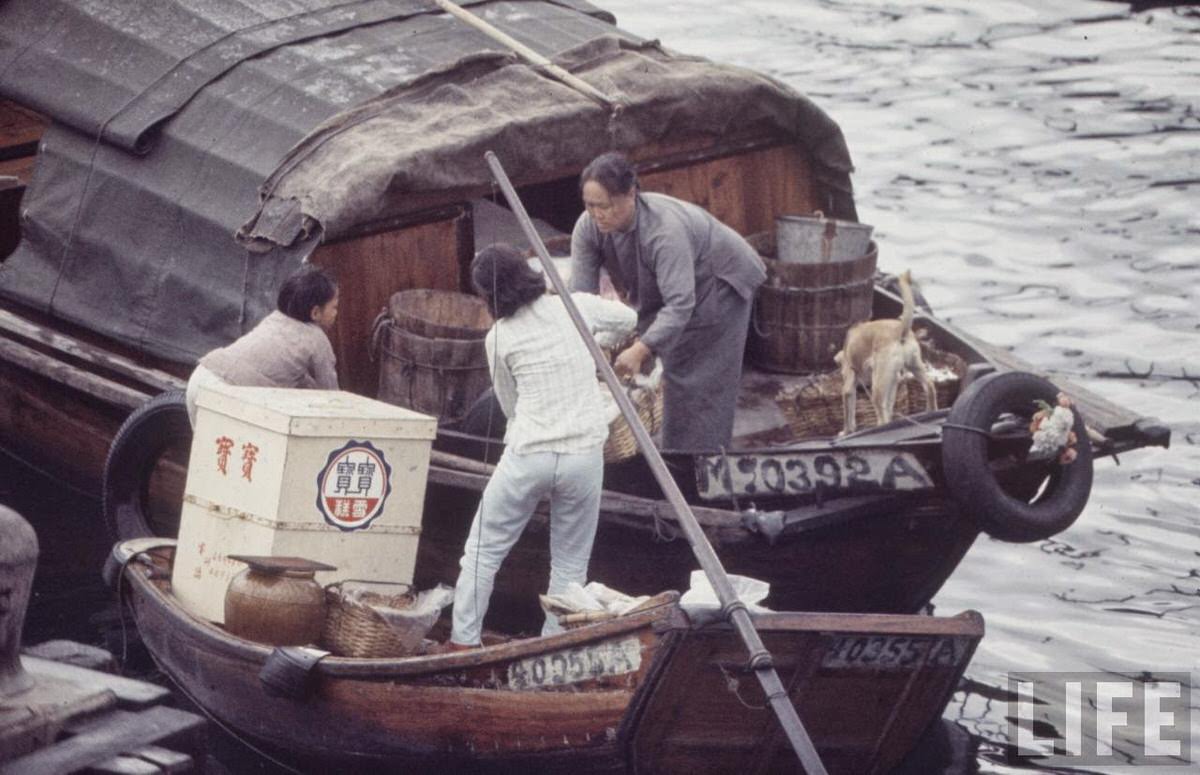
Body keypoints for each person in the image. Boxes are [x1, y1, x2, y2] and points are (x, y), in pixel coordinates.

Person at [449, 244, 635, 649]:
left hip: (529, 453)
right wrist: (597, 341)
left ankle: (464, 641)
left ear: (489, 295)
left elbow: (509, 404)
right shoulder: (574, 306)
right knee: (570, 565)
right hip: (584, 455)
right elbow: (629, 320)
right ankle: (555, 644)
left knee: (481, 553)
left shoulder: (499, 337)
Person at [569, 151, 766, 451]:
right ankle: (678, 455)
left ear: (631, 194)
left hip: (720, 279)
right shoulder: (588, 228)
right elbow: (581, 299)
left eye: (604, 206)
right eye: (589, 205)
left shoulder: (664, 231)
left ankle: (701, 461)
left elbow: (680, 305)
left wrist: (640, 349)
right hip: (679, 286)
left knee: (699, 378)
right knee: (673, 365)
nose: (597, 215)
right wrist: (580, 344)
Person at [184, 266, 339, 426]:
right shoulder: (317, 339)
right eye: (334, 307)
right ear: (315, 313)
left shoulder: (275, 319)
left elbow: (295, 375)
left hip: (201, 377)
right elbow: (332, 397)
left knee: (208, 441)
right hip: (226, 392)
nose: (336, 313)